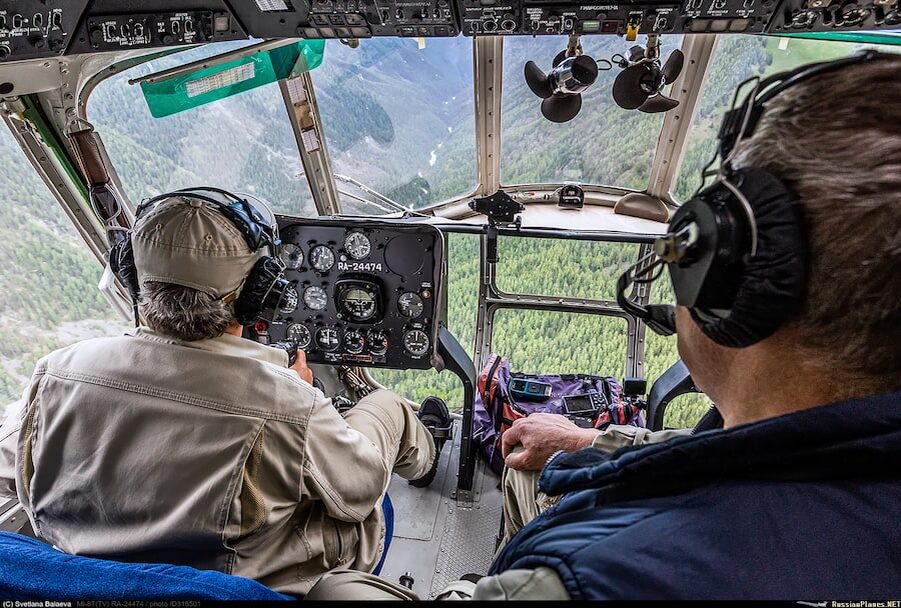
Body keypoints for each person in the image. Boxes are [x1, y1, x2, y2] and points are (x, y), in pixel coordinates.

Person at [306, 53, 901, 600]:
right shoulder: (836, 472)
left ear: (729, 282)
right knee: (529, 470)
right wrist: (590, 442)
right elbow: (722, 459)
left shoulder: (586, 579)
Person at [0, 191, 451, 596]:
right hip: (241, 582)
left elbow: (8, 469)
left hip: (97, 583)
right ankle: (428, 461)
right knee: (386, 408)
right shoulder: (287, 404)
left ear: (134, 279)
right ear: (260, 295)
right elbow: (361, 490)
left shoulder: (54, 372)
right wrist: (298, 397)